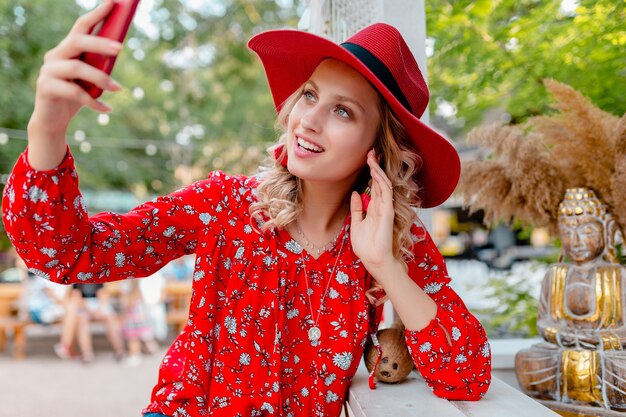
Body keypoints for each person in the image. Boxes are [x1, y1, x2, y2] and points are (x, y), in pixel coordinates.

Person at [1, 2, 491, 416]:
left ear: (378, 150)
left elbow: (467, 375)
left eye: (343, 111)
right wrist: (48, 127)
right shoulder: (226, 205)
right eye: (310, 95)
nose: (309, 120)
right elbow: (67, 253)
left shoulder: (394, 245)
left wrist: (383, 265)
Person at [54, 283, 126, 363]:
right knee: (82, 320)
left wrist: (99, 309)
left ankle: (119, 350)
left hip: (98, 305)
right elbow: (76, 297)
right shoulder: (77, 280)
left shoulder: (99, 277)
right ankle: (87, 354)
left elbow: (102, 294)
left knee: (111, 318)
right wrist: (89, 310)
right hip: (84, 306)